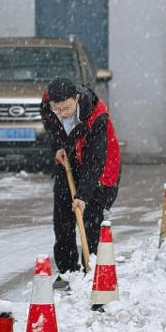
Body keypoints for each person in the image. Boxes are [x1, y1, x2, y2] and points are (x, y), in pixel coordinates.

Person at [40, 78, 121, 290]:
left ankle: (93, 267)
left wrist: (83, 195)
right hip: (69, 159)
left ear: (76, 99)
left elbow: (96, 161)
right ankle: (68, 270)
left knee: (92, 218)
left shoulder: (97, 116)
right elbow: (52, 127)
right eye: (57, 108)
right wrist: (58, 147)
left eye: (66, 108)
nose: (62, 113)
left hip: (101, 165)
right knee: (63, 218)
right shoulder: (49, 105)